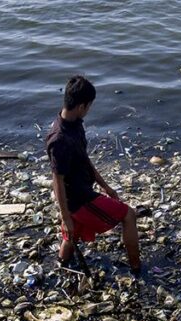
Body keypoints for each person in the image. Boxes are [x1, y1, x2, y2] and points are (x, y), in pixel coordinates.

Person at [46, 75, 141, 276]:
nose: (89, 110)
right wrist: (65, 217)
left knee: (71, 237)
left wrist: (105, 186)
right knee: (128, 215)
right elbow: (58, 181)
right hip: (79, 200)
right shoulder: (59, 140)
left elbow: (84, 159)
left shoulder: (74, 124)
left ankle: (61, 266)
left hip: (80, 194)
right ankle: (137, 268)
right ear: (82, 106)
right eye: (89, 106)